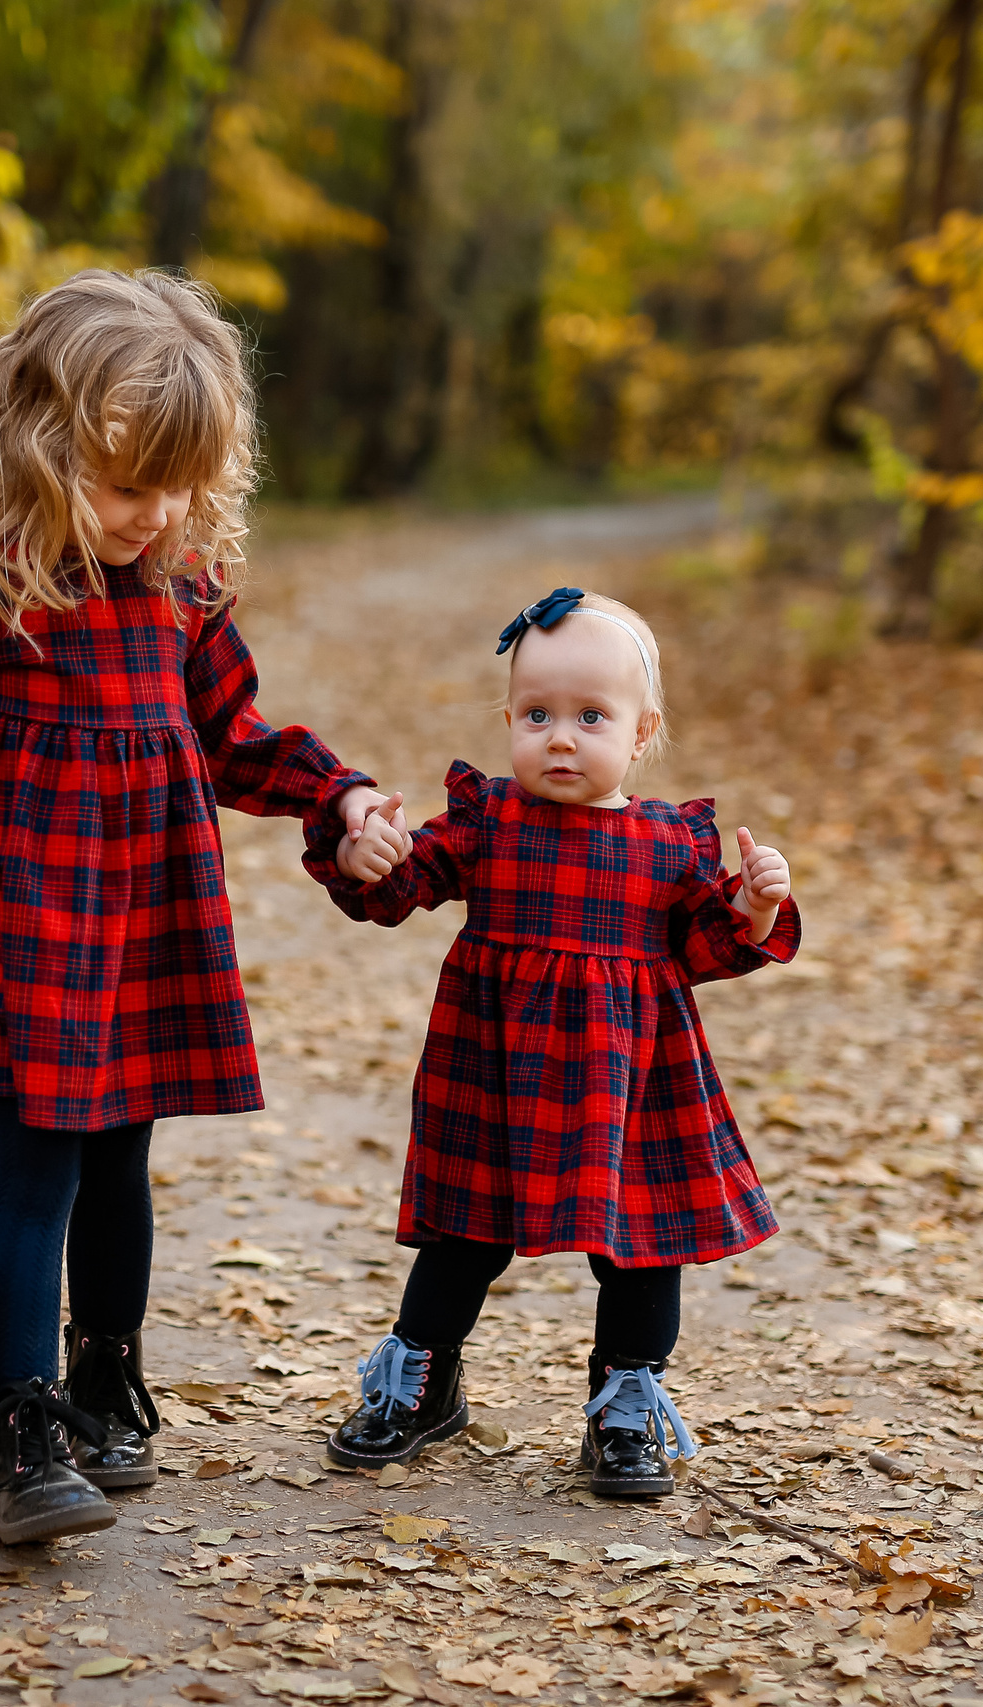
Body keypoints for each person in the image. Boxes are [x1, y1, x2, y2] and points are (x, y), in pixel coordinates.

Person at [0, 270, 409, 1545]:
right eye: (128, 486)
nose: (156, 512)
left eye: (178, 485)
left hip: (142, 926)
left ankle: (104, 1377)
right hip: (20, 926)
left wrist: (335, 798)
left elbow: (233, 738)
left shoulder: (179, 590)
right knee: (35, 1178)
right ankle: (17, 1423)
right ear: (41, 449)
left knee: (123, 1169)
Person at [306, 586, 797, 1498]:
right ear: (507, 720)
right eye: (537, 714)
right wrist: (363, 855)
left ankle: (625, 1400)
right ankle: (421, 1379)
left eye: (589, 716)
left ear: (642, 732)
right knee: (462, 1232)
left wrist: (752, 904)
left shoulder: (665, 846)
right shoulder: (489, 820)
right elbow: (400, 886)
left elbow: (702, 948)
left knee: (642, 1244)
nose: (560, 737)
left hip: (632, 1079)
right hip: (494, 1068)